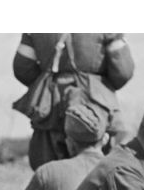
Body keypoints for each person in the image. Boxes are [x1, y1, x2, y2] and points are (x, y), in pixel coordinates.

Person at [13, 33, 134, 170]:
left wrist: (49, 84)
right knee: (105, 170)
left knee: (49, 171)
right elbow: (123, 71)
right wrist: (100, 84)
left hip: (50, 109)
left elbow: (22, 69)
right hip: (97, 107)